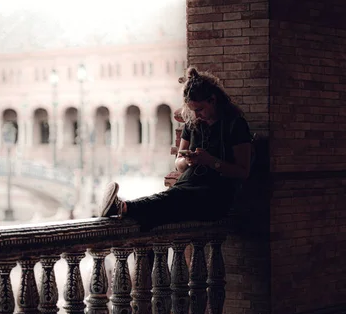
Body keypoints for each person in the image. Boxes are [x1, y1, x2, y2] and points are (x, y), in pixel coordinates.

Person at [99, 67, 253, 230]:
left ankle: (123, 207)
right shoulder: (192, 125)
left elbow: (243, 171)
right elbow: (178, 164)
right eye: (193, 111)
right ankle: (123, 209)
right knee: (168, 203)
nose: (196, 115)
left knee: (173, 198)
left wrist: (211, 161)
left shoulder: (235, 125)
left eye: (200, 109)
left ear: (213, 100)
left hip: (216, 195)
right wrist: (187, 161)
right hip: (187, 185)